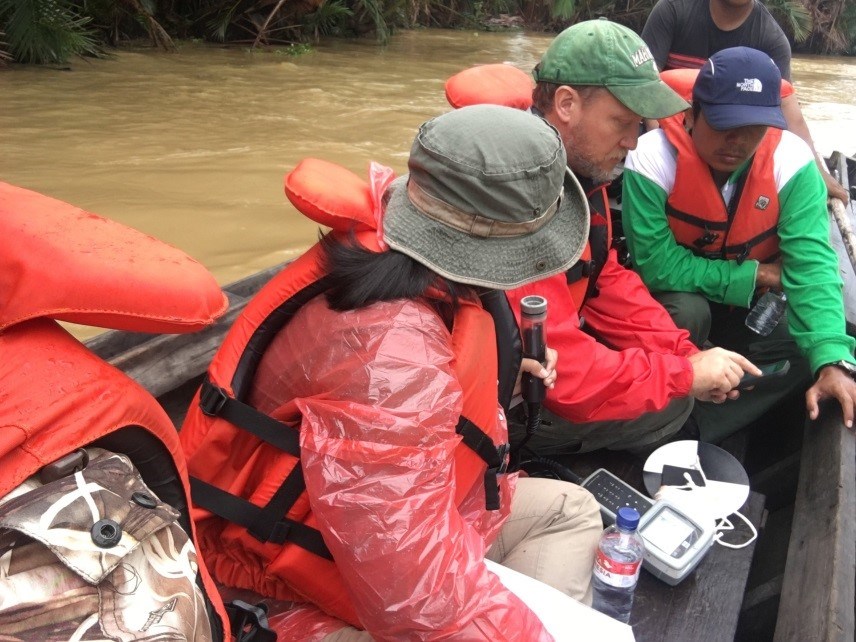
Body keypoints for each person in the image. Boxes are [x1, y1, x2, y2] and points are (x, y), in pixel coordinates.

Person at [180, 105, 604, 641]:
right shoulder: (390, 353)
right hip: (288, 587)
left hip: (407, 521)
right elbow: (415, 598)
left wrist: (499, 381)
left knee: (569, 509)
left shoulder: (399, 266)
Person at [501, 19, 760, 456]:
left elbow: (605, 277)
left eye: (638, 123)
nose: (634, 141)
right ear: (566, 104)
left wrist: (684, 353)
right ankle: (522, 450)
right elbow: (566, 372)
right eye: (621, 121)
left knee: (679, 353)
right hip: (504, 392)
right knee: (671, 409)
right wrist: (684, 378)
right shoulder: (515, 199)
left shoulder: (577, 170)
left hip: (553, 350)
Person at [622, 46, 856, 442]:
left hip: (750, 304)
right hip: (683, 296)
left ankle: (696, 425)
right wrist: (757, 273)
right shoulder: (651, 158)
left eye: (753, 127)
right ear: (692, 115)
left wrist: (833, 359)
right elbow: (655, 264)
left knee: (809, 349)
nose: (737, 140)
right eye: (722, 123)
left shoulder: (792, 162)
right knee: (687, 312)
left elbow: (812, 265)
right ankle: (659, 408)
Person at [641, 0, 849, 202]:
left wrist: (818, 173)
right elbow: (645, 85)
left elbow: (790, 113)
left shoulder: (770, 38)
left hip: (734, 144)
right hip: (671, 132)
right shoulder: (673, 10)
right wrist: (665, 152)